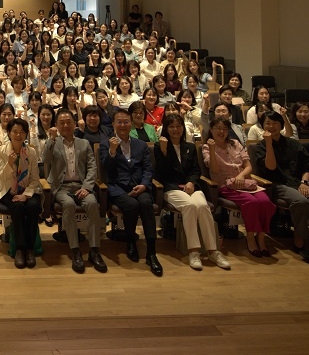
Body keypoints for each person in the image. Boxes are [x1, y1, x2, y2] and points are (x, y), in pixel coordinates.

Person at [155, 113, 232, 270]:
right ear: (166, 129)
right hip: (172, 188)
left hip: (191, 186)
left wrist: (191, 182)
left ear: (183, 128)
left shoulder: (190, 147)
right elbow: (160, 174)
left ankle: (213, 250)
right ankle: (194, 251)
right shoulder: (159, 146)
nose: (175, 129)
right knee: (189, 206)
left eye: (178, 126)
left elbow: (196, 170)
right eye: (171, 126)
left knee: (202, 206)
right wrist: (163, 152)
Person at [253, 111, 309, 253]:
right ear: (263, 126)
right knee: (301, 202)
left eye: (275, 123)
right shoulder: (261, 146)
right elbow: (271, 167)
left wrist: (305, 182)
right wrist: (269, 144)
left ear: (281, 125)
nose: (271, 126)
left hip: (300, 181)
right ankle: (300, 236)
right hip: (277, 184)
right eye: (268, 123)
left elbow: (308, 167)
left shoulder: (294, 144)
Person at [202, 116, 277, 257]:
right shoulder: (207, 147)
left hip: (245, 182)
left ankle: (261, 237)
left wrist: (241, 176)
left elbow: (248, 166)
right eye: (218, 128)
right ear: (211, 130)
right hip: (226, 184)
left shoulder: (235, 143)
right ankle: (250, 237)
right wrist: (212, 150)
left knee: (265, 201)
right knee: (252, 202)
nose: (221, 131)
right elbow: (215, 170)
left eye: (224, 128)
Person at [100, 108, 163, 276]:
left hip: (139, 186)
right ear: (113, 124)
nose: (122, 125)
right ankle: (131, 241)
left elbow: (148, 169)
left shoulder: (140, 145)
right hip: (117, 187)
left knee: (146, 203)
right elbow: (106, 170)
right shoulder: (106, 144)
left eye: (126, 122)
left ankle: (151, 252)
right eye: (119, 122)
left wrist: (144, 185)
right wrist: (112, 151)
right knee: (132, 205)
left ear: (131, 123)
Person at [44, 109, 106, 273]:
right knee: (69, 205)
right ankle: (75, 250)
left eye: (68, 122)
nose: (65, 125)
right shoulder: (53, 143)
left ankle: (94, 250)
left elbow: (92, 168)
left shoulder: (84, 143)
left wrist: (86, 187)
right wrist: (51, 139)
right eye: (61, 123)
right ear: (56, 125)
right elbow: (45, 160)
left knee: (93, 204)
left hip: (81, 186)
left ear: (74, 123)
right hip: (62, 188)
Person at [0, 117, 42, 269]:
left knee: (33, 206)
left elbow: (35, 179)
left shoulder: (31, 152)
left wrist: (26, 194)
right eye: (15, 132)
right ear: (9, 133)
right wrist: (9, 163)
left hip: (27, 190)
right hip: (8, 191)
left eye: (22, 132)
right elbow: (2, 179)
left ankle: (30, 249)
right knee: (18, 207)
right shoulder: (1, 151)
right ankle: (20, 249)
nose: (18, 135)